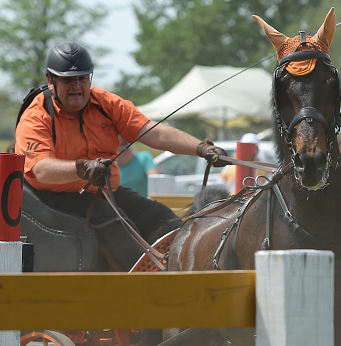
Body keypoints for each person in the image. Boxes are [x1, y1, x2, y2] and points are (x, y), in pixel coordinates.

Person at [15, 42, 227, 271]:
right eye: (68, 80)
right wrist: (83, 168)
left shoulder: (107, 104)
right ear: (51, 81)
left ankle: (188, 269)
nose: (76, 86)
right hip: (51, 196)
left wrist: (202, 149)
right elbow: (41, 170)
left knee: (162, 218)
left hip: (103, 190)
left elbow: (153, 133)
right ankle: (148, 282)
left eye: (82, 78)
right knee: (112, 222)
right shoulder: (36, 116)